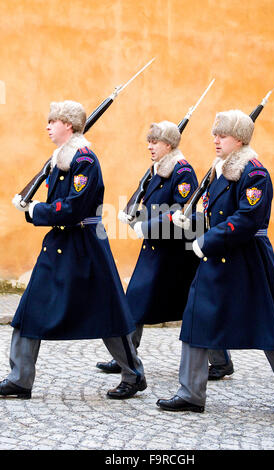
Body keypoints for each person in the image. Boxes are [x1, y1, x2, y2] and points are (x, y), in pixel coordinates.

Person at [156, 109, 274, 416]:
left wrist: (207, 241)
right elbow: (214, 213)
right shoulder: (220, 170)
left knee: (271, 330)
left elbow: (247, 219)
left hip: (249, 260)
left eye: (221, 135)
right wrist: (189, 220)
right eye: (215, 134)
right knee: (196, 318)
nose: (215, 139)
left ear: (239, 138)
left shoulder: (254, 173)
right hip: (219, 259)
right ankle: (191, 392)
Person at [0, 100, 146, 400]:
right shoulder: (60, 158)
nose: (48, 126)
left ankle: (134, 374)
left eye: (53, 121)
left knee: (108, 313)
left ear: (68, 124)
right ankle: (19, 378)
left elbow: (73, 207)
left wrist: (36, 211)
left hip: (85, 246)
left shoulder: (85, 161)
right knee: (28, 310)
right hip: (58, 246)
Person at [96, 120, 233, 379]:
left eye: (154, 142)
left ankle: (221, 361)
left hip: (176, 254)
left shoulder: (182, 171)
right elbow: (146, 198)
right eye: (149, 141)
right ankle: (126, 357)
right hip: (156, 250)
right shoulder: (157, 170)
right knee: (134, 300)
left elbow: (184, 211)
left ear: (168, 145)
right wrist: (133, 214)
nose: (149, 146)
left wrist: (148, 226)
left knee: (194, 308)